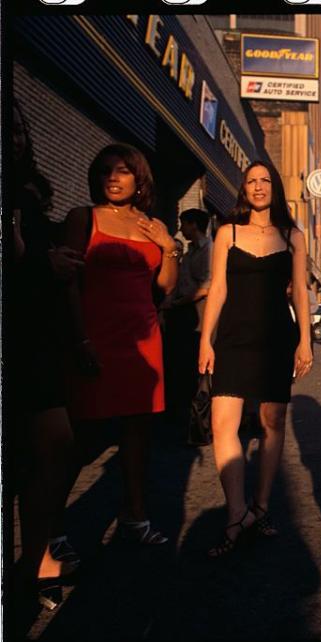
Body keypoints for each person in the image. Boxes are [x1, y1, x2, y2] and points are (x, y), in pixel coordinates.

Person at [61, 143, 179, 546]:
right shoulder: (83, 218)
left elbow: (163, 289)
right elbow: (69, 284)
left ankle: (135, 516)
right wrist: (80, 338)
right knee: (79, 437)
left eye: (124, 170)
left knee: (137, 436)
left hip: (143, 341)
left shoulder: (151, 225)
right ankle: (49, 527)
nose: (113, 176)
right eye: (106, 169)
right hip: (94, 336)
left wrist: (169, 248)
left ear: (139, 178)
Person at [198, 160, 313, 557]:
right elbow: (217, 289)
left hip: (276, 339)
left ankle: (261, 507)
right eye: (251, 181)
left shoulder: (293, 236)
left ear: (275, 188)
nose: (258, 186)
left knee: (271, 423)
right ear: (243, 189)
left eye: (265, 180)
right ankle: (236, 512)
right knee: (221, 424)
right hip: (231, 339)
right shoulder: (227, 231)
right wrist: (205, 340)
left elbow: (299, 290)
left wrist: (305, 341)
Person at [5, 101, 83, 621]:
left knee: (51, 444)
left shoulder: (25, 192)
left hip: (31, 334)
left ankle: (33, 562)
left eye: (15, 126)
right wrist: (40, 259)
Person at [162, 208, 212, 427]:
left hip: (200, 314)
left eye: (184, 223)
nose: (181, 228)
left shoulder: (208, 250)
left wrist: (179, 302)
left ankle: (201, 420)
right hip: (183, 314)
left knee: (199, 368)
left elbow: (208, 286)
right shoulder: (190, 251)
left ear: (194, 225)